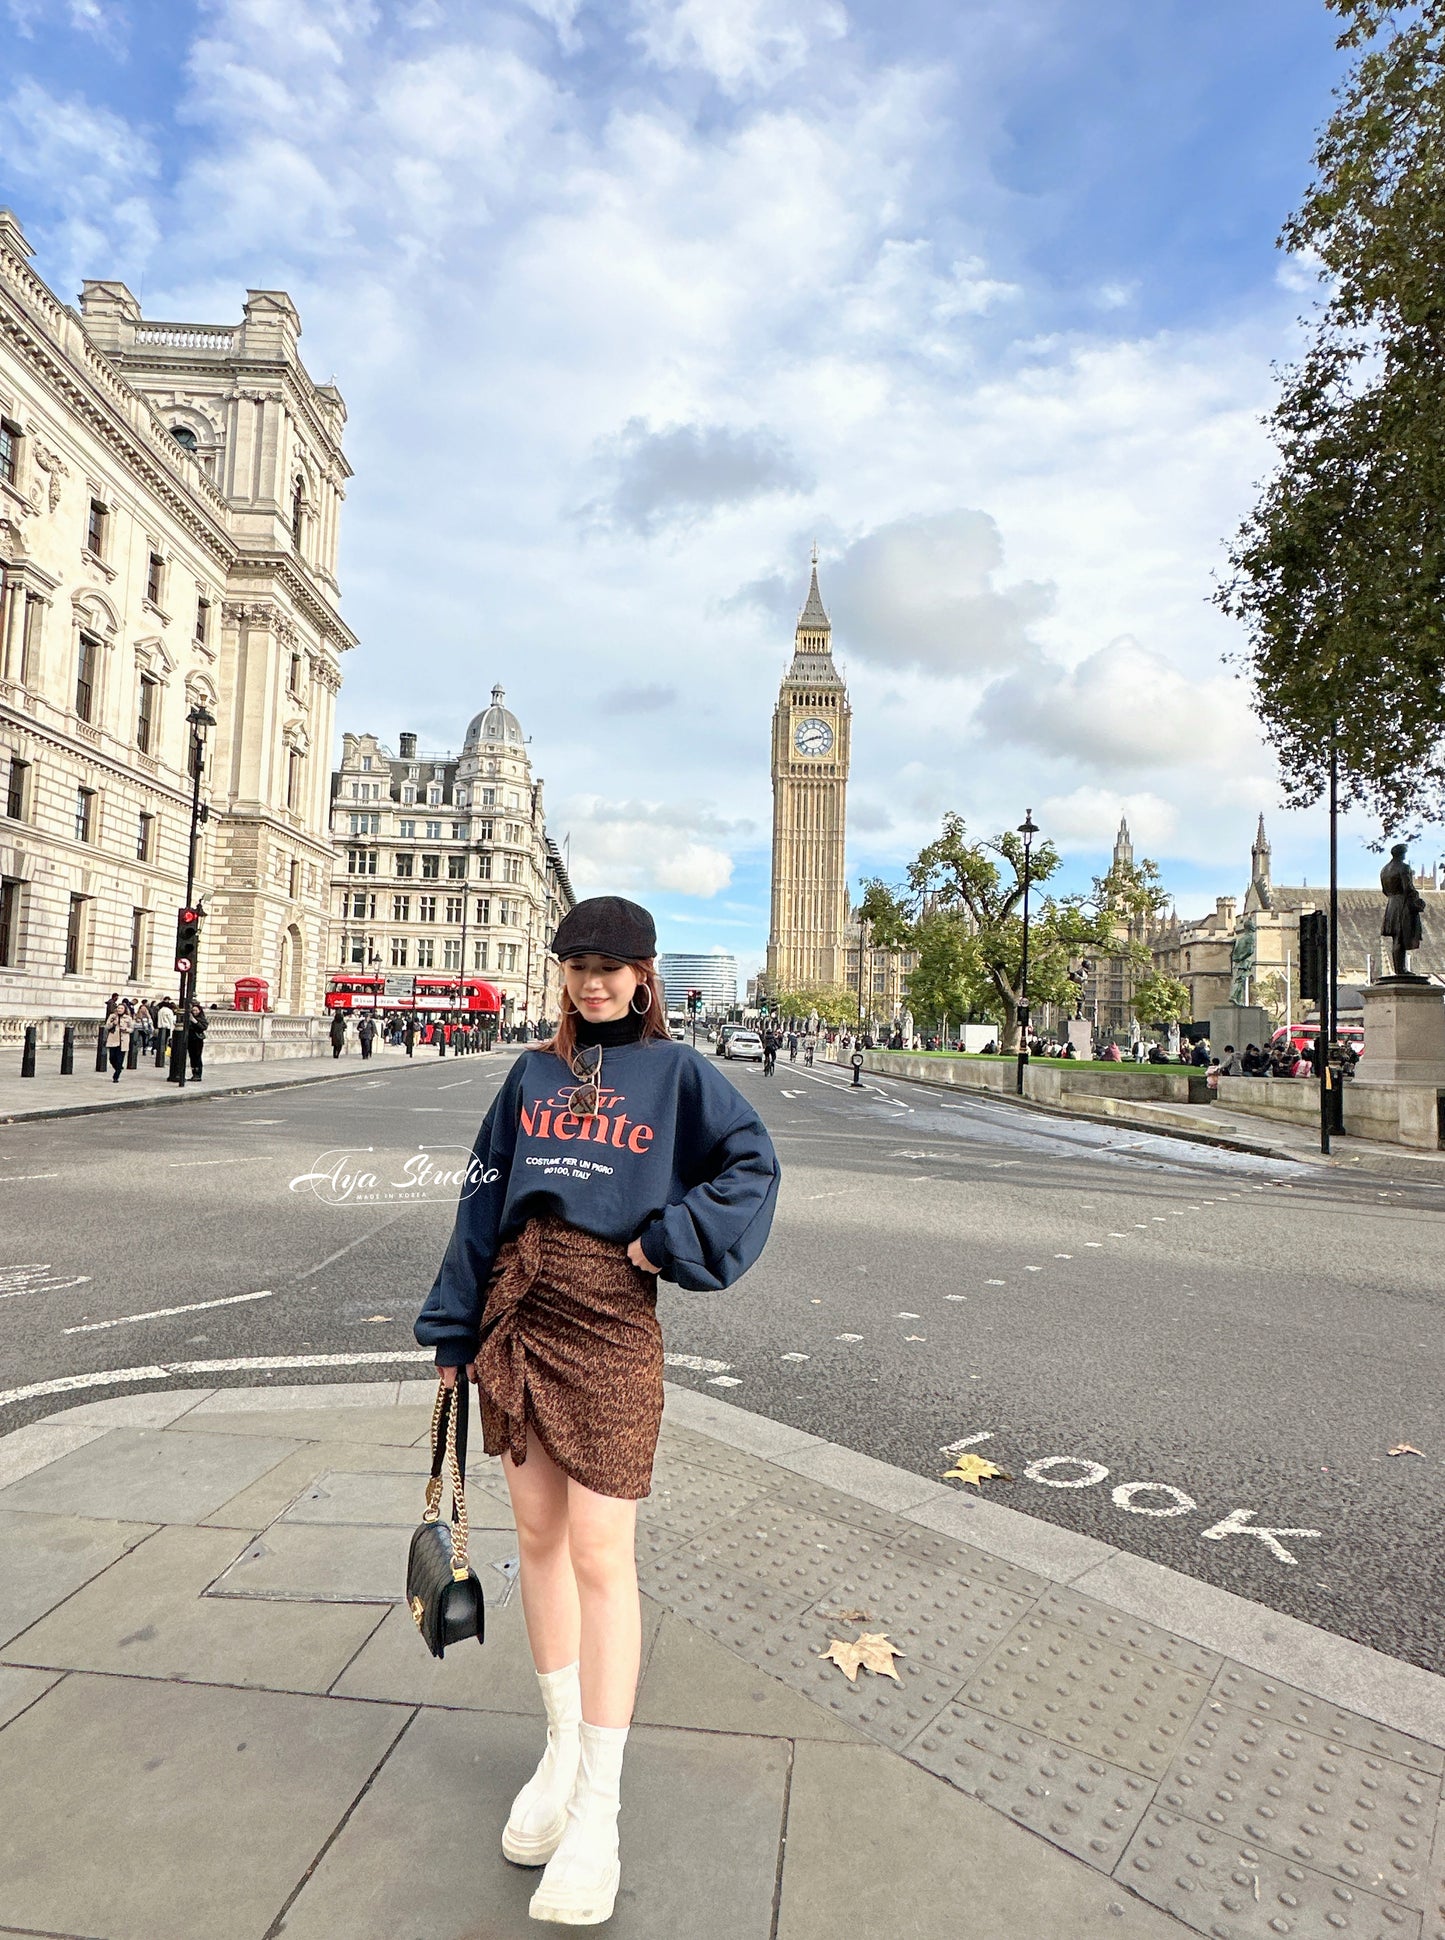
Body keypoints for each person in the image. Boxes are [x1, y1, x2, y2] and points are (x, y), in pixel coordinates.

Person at [414, 896, 779, 1926]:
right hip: (516, 1308)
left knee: (600, 1552)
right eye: (577, 962)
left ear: (646, 974)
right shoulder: (527, 1074)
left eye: (611, 965)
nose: (592, 981)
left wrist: (663, 1241)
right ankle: (560, 1749)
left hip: (613, 1319)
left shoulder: (679, 1074)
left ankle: (602, 1809)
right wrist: (451, 1338)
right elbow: (479, 1201)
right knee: (536, 1535)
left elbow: (750, 1165)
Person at [102, 1000, 133, 1083]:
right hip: (113, 1039)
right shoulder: (112, 1016)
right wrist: (113, 1024)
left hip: (123, 1041)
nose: (119, 1009)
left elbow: (132, 1029)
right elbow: (107, 1027)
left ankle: (116, 1075)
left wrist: (126, 1029)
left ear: (124, 1009)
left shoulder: (128, 1018)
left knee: (120, 1059)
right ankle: (118, 1068)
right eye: (118, 1008)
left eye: (121, 1008)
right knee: (112, 1058)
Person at [185, 1001, 207, 1080]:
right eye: (193, 1010)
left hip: (197, 1040)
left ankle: (198, 1074)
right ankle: (194, 1073)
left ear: (199, 1011)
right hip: (190, 1039)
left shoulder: (201, 1018)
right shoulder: (189, 1018)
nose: (194, 1012)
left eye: (196, 1010)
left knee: (197, 1057)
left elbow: (203, 1027)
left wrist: (194, 1021)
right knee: (192, 1057)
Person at [155, 997, 176, 1066]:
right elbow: (171, 1020)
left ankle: (160, 1058)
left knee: (161, 1043)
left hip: (161, 1027)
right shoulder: (169, 1011)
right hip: (167, 1027)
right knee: (166, 1042)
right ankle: (164, 1056)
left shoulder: (160, 1010)